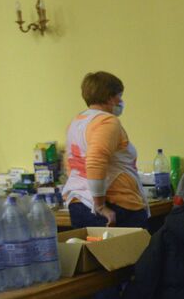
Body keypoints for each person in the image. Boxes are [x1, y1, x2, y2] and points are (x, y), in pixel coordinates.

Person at [61, 71, 150, 229]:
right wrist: (100, 205)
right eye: (119, 95)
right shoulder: (107, 121)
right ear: (110, 97)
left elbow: (71, 163)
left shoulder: (76, 123)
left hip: (79, 202)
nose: (121, 101)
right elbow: (95, 160)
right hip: (113, 206)